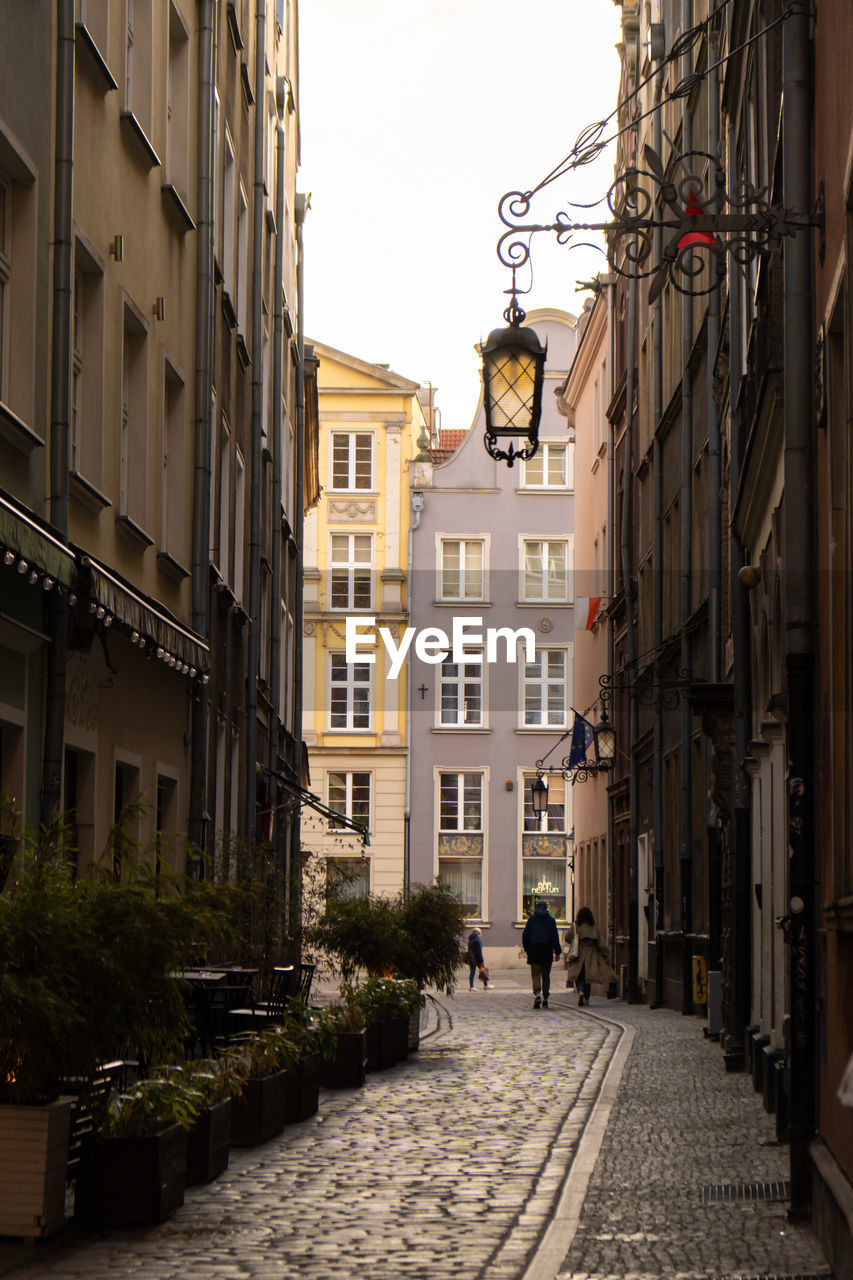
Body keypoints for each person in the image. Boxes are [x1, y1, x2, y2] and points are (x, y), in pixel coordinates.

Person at [564, 906, 613, 1006]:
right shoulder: (593, 926)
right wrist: (605, 953)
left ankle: (580, 991)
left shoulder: (576, 926)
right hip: (591, 954)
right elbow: (600, 942)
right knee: (588, 977)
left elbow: (567, 938)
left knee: (578, 975)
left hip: (578, 953)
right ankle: (586, 997)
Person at [521, 899, 562, 1008]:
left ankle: (538, 994)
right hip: (547, 949)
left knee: (535, 974)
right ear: (546, 908)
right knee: (546, 975)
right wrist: (557, 951)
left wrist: (527, 949)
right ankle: (546, 997)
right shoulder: (551, 920)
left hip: (534, 949)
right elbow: (555, 937)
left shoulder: (532, 920)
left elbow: (525, 936)